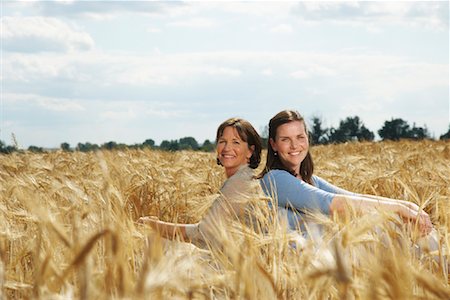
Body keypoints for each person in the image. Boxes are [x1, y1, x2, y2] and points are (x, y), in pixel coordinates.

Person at [258, 109, 433, 235]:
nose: (295, 146)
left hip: (329, 257)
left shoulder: (311, 181)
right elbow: (335, 204)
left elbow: (353, 197)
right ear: (273, 144)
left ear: (308, 139)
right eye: (285, 139)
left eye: (300, 137)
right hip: (308, 267)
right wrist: (399, 209)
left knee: (402, 229)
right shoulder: (275, 180)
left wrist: (408, 206)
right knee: (389, 231)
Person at [138, 117, 264, 248]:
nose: (227, 148)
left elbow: (203, 233)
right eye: (222, 141)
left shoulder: (239, 183)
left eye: (236, 142)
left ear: (250, 151)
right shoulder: (245, 177)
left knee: (151, 243)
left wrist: (154, 225)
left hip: (231, 264)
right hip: (232, 259)